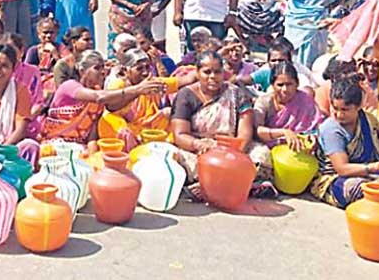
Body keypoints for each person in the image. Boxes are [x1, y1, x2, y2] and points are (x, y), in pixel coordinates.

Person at [171, 51, 256, 197]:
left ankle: (214, 184)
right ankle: (230, 183)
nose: (212, 77)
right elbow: (180, 135)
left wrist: (236, 150)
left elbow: (245, 132)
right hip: (198, 148)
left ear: (223, 73)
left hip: (231, 147)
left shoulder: (236, 93)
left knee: (261, 155)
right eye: (207, 72)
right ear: (197, 73)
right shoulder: (186, 95)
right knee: (178, 159)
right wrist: (199, 145)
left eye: (217, 72)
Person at [37, 50, 154, 144]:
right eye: (97, 68)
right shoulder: (69, 86)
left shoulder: (97, 92)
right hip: (55, 144)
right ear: (82, 70)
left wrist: (91, 155)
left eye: (103, 67)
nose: (103, 72)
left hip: (80, 146)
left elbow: (92, 134)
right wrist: (137, 89)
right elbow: (99, 97)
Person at [311, 74, 379, 208]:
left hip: (372, 172)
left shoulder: (368, 121)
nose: (339, 115)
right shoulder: (331, 129)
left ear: (358, 107)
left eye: (345, 110)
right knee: (363, 190)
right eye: (335, 108)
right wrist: (374, 167)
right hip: (335, 180)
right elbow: (342, 169)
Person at [104, 49, 195, 148]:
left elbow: (184, 80)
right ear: (125, 71)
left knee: (169, 113)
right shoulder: (118, 85)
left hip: (146, 129)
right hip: (125, 130)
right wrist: (138, 91)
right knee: (118, 127)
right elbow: (110, 107)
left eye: (147, 67)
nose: (145, 73)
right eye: (139, 69)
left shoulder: (152, 82)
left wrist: (203, 71)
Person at [251, 62, 324, 182]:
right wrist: (284, 132)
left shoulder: (305, 101)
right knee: (260, 157)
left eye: (289, 84)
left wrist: (312, 138)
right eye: (280, 85)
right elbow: (258, 131)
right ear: (272, 85)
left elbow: (317, 126)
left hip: (299, 148)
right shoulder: (264, 102)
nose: (285, 89)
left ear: (297, 84)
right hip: (271, 147)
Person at [236, 37, 317, 94]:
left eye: (281, 60)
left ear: (290, 61)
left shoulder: (299, 74)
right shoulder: (265, 73)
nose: (277, 63)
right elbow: (238, 81)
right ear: (268, 62)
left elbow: (309, 91)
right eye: (273, 60)